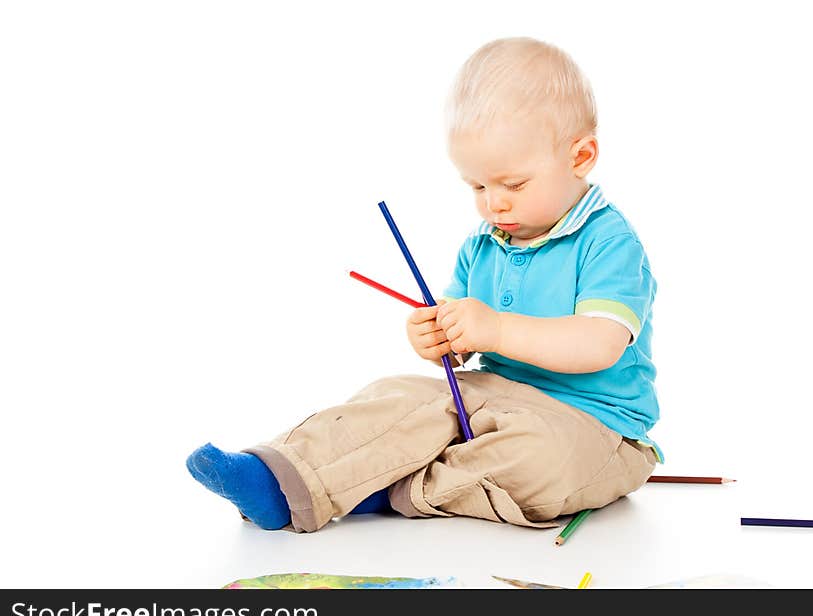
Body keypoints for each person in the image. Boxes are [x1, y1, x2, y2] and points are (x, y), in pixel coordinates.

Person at [186, 36, 663, 533]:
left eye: (513, 184)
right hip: (494, 396)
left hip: (598, 426)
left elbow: (600, 344)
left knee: (539, 460)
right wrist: (441, 341)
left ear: (581, 156)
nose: (493, 204)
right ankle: (282, 476)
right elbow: (459, 349)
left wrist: (495, 330)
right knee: (397, 396)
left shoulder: (609, 242)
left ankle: (380, 487)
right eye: (477, 187)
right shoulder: (483, 245)